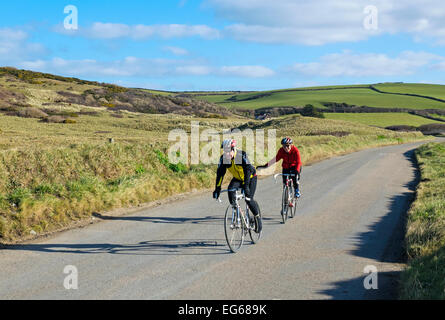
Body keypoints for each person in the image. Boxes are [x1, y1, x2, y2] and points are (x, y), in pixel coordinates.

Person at [213, 139, 262, 233]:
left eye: (228, 151)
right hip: (238, 178)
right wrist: (217, 188)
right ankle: (237, 212)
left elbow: (248, 171)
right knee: (230, 190)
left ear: (233, 149)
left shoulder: (240, 155)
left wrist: (246, 186)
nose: (226, 154)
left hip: (250, 178)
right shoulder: (224, 159)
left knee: (248, 199)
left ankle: (257, 218)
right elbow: (220, 174)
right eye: (225, 151)